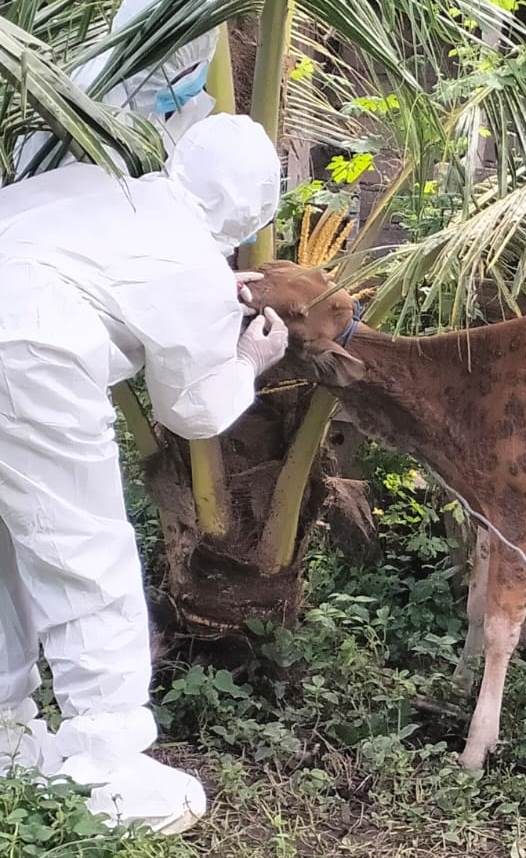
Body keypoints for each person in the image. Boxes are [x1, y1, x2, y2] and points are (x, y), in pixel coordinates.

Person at [0, 112, 287, 835]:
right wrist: (250, 359)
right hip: (29, 354)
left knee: (5, 546)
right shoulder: (195, 266)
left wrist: (209, 292)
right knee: (82, 549)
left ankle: (7, 732)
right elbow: (193, 411)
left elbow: (121, 269)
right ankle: (107, 762)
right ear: (251, 210)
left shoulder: (97, 185)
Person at [14, 0, 219, 176]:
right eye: (187, 67)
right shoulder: (88, 98)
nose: (195, 76)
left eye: (199, 65)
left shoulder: (175, 99)